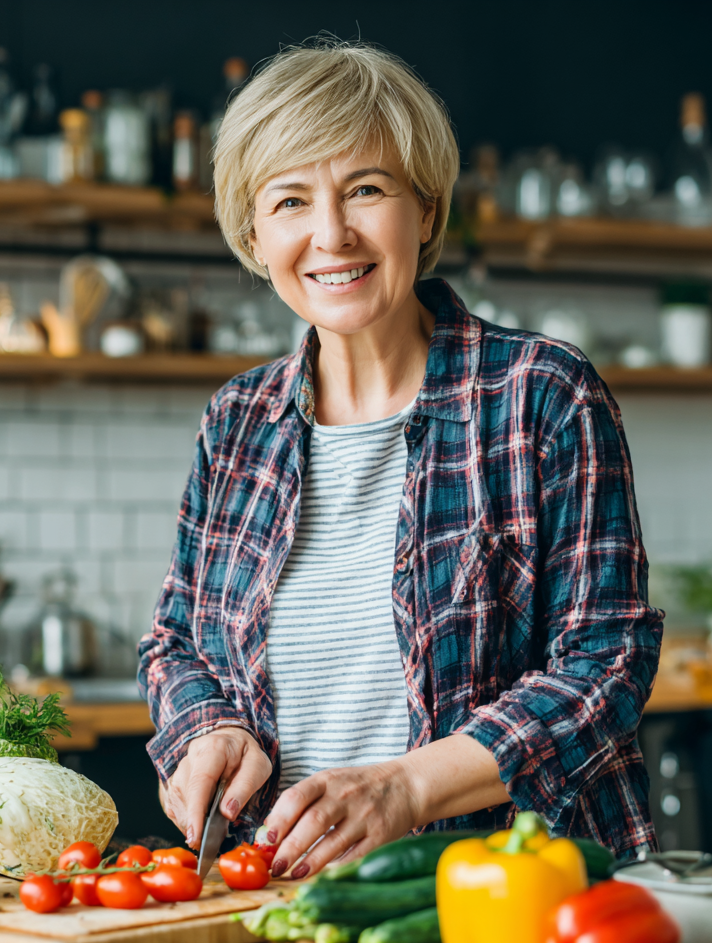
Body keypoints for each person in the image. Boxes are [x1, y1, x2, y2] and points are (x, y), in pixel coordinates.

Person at [138, 39, 663, 880]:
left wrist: (407, 789)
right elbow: (176, 643)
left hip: (514, 894)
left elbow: (607, 663)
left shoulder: (542, 395)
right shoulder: (236, 421)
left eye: (366, 190)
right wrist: (208, 728)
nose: (331, 234)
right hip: (279, 900)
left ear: (425, 211)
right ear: (253, 235)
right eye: (290, 202)